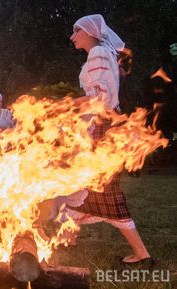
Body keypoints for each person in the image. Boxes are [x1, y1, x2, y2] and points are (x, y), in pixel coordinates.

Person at [66, 14, 153, 266]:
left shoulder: (98, 55)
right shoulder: (102, 54)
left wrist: (68, 103)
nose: (72, 37)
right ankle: (66, 239)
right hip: (102, 124)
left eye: (76, 31)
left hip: (103, 126)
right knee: (80, 185)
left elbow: (100, 99)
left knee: (106, 190)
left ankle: (142, 254)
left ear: (91, 33)